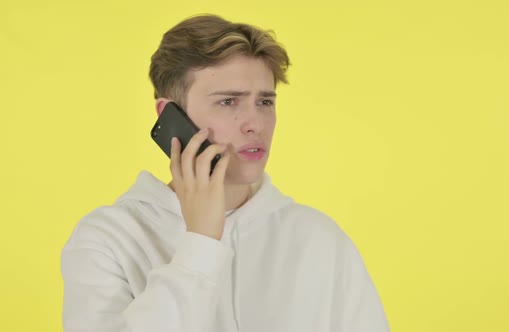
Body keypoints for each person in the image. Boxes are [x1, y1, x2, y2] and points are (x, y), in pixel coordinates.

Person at [61, 14, 390, 332]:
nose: (255, 124)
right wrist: (200, 242)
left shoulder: (319, 239)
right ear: (170, 114)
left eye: (264, 102)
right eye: (229, 102)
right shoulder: (108, 240)